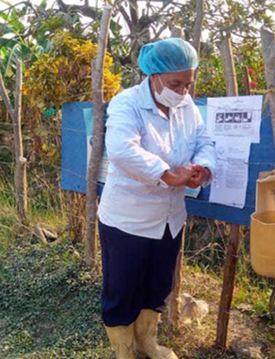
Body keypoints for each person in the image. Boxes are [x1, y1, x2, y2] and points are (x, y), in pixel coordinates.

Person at [97, 38, 216, 359]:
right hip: (127, 220)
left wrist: (202, 168)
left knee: (157, 286)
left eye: (188, 84)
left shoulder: (187, 107)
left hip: (169, 219)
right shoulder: (127, 104)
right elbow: (122, 149)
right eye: (175, 83)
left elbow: (204, 141)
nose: (182, 91)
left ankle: (147, 344)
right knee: (122, 291)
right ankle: (123, 352)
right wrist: (166, 174)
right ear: (153, 75)